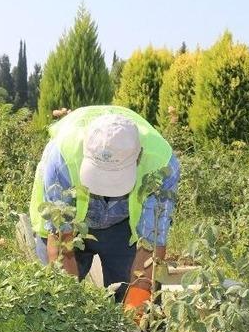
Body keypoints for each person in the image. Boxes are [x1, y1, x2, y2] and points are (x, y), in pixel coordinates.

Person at [29, 105, 180, 306]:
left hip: (123, 227)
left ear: (138, 157)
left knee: (138, 303)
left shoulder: (162, 165)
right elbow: (60, 243)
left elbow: (151, 245)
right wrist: (68, 307)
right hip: (72, 223)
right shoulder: (63, 156)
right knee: (54, 299)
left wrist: (135, 313)